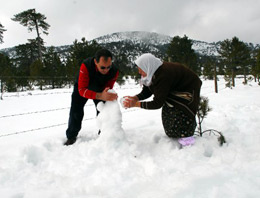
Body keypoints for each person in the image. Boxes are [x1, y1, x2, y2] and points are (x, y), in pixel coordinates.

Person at [123, 53, 202, 146]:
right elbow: (147, 91)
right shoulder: (152, 71)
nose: (139, 72)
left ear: (147, 66)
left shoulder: (163, 75)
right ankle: (178, 134)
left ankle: (187, 139)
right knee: (169, 117)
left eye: (141, 69)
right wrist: (135, 98)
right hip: (175, 89)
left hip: (187, 88)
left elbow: (157, 103)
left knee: (182, 110)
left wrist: (136, 104)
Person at [64, 49, 119, 146]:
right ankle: (71, 136)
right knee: (76, 111)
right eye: (103, 67)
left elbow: (109, 87)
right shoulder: (86, 66)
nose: (106, 70)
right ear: (95, 62)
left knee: (103, 110)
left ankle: (104, 133)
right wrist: (99, 95)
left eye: (108, 67)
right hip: (83, 87)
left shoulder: (114, 71)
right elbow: (81, 90)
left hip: (100, 88)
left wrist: (108, 95)